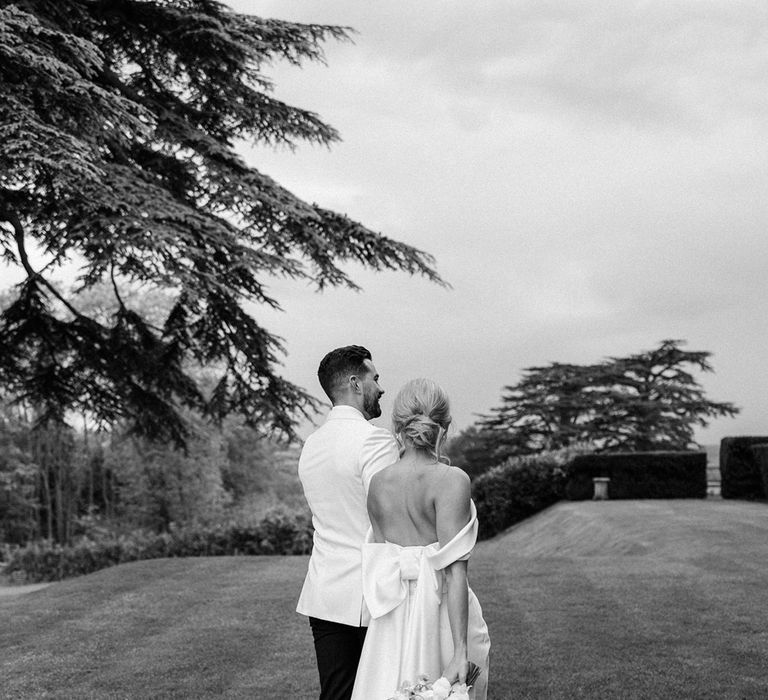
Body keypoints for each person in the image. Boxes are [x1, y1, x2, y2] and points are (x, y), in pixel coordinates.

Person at [351, 378, 491, 700]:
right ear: (445, 426)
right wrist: (460, 651)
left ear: (398, 425)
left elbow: (382, 566)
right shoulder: (451, 481)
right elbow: (455, 572)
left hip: (391, 619)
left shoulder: (378, 484)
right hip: (441, 615)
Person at [297, 345, 400, 700]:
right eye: (376, 378)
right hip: (370, 595)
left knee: (337, 693)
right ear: (356, 383)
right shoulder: (375, 440)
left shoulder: (312, 444)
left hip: (324, 592)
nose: (381, 387)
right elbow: (391, 516)